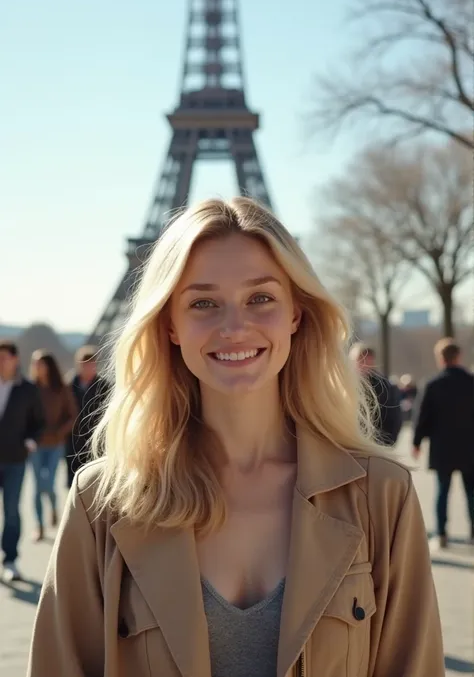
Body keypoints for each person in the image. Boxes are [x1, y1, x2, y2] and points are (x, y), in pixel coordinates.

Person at [28, 198, 444, 677]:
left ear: (296, 314)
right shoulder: (100, 502)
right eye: (203, 303)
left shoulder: (382, 496)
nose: (234, 327)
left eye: (260, 298)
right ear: (170, 326)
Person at [413, 338, 474, 549]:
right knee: (472, 492)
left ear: (440, 358)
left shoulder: (432, 384)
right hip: (470, 447)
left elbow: (422, 417)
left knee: (442, 492)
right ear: (459, 356)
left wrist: (416, 442)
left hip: (442, 448)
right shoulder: (471, 382)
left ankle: (441, 534)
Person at [0, 341, 44, 582]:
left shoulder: (28, 389)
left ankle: (10, 560)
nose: (1, 362)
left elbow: (39, 422)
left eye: (5, 357)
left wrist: (31, 440)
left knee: (11, 510)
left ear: (15, 359)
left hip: (15, 459)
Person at [29, 350, 77, 541]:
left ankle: (55, 505)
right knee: (37, 487)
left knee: (46, 483)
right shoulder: (30, 389)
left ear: (49, 366)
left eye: (40, 363)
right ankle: (39, 526)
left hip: (55, 444)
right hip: (35, 445)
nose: (36, 367)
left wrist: (59, 433)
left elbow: (73, 415)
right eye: (34, 364)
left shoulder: (61, 388)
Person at [65, 345, 109, 487]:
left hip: (95, 438)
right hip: (73, 438)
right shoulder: (68, 385)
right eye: (84, 364)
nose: (87, 367)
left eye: (90, 363)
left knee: (94, 479)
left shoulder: (105, 386)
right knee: (73, 479)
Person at [350, 343, 402, 446]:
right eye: (360, 359)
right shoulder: (344, 383)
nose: (364, 364)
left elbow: (393, 415)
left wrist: (388, 441)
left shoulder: (384, 386)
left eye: (367, 360)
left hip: (377, 442)